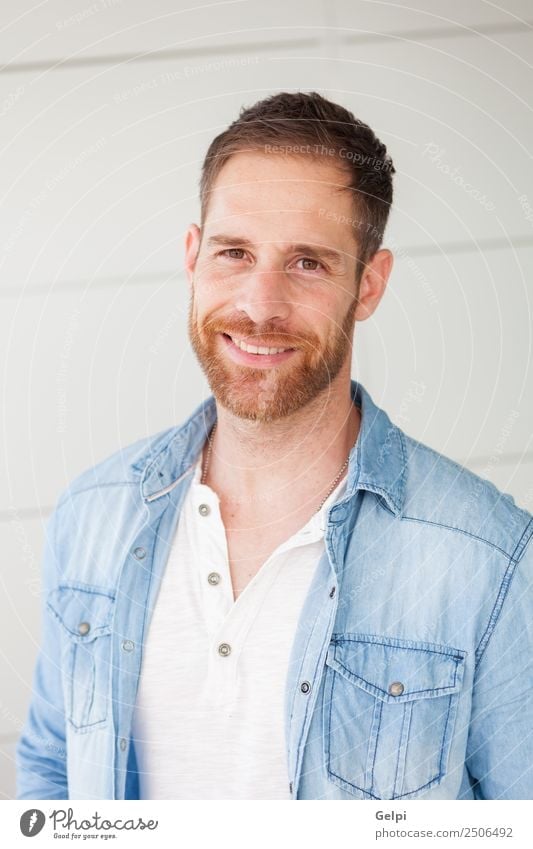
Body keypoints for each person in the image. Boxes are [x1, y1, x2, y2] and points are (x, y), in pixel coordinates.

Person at [17, 91, 533, 801]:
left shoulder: (490, 560)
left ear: (368, 284)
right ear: (194, 256)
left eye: (307, 263)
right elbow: (50, 768)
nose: (259, 304)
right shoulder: (93, 515)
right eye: (234, 252)